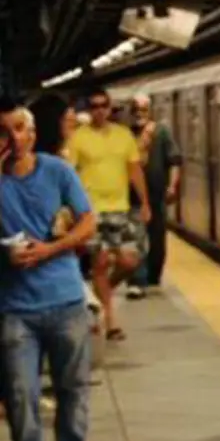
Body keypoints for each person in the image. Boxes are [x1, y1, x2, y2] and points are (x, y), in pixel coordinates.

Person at [0, 106, 99, 441]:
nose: (14, 137)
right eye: (4, 132)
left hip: (65, 301)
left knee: (73, 390)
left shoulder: (57, 172)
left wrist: (51, 249)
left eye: (20, 128)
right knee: (20, 394)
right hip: (14, 308)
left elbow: (88, 221)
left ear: (34, 132)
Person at [66, 89, 150, 341]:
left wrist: (145, 202)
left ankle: (100, 293)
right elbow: (69, 174)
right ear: (89, 109)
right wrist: (70, 208)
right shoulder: (78, 138)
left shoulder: (124, 136)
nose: (99, 110)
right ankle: (111, 320)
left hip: (120, 207)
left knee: (129, 261)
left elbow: (134, 170)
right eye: (94, 106)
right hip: (91, 209)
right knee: (100, 263)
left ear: (110, 108)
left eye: (103, 105)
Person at [126, 95, 180, 299]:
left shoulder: (162, 132)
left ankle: (153, 276)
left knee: (157, 239)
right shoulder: (126, 135)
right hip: (133, 197)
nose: (139, 113)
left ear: (150, 111)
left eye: (143, 109)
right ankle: (137, 279)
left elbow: (174, 160)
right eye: (136, 109)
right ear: (130, 112)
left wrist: (173, 186)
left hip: (157, 196)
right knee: (136, 238)